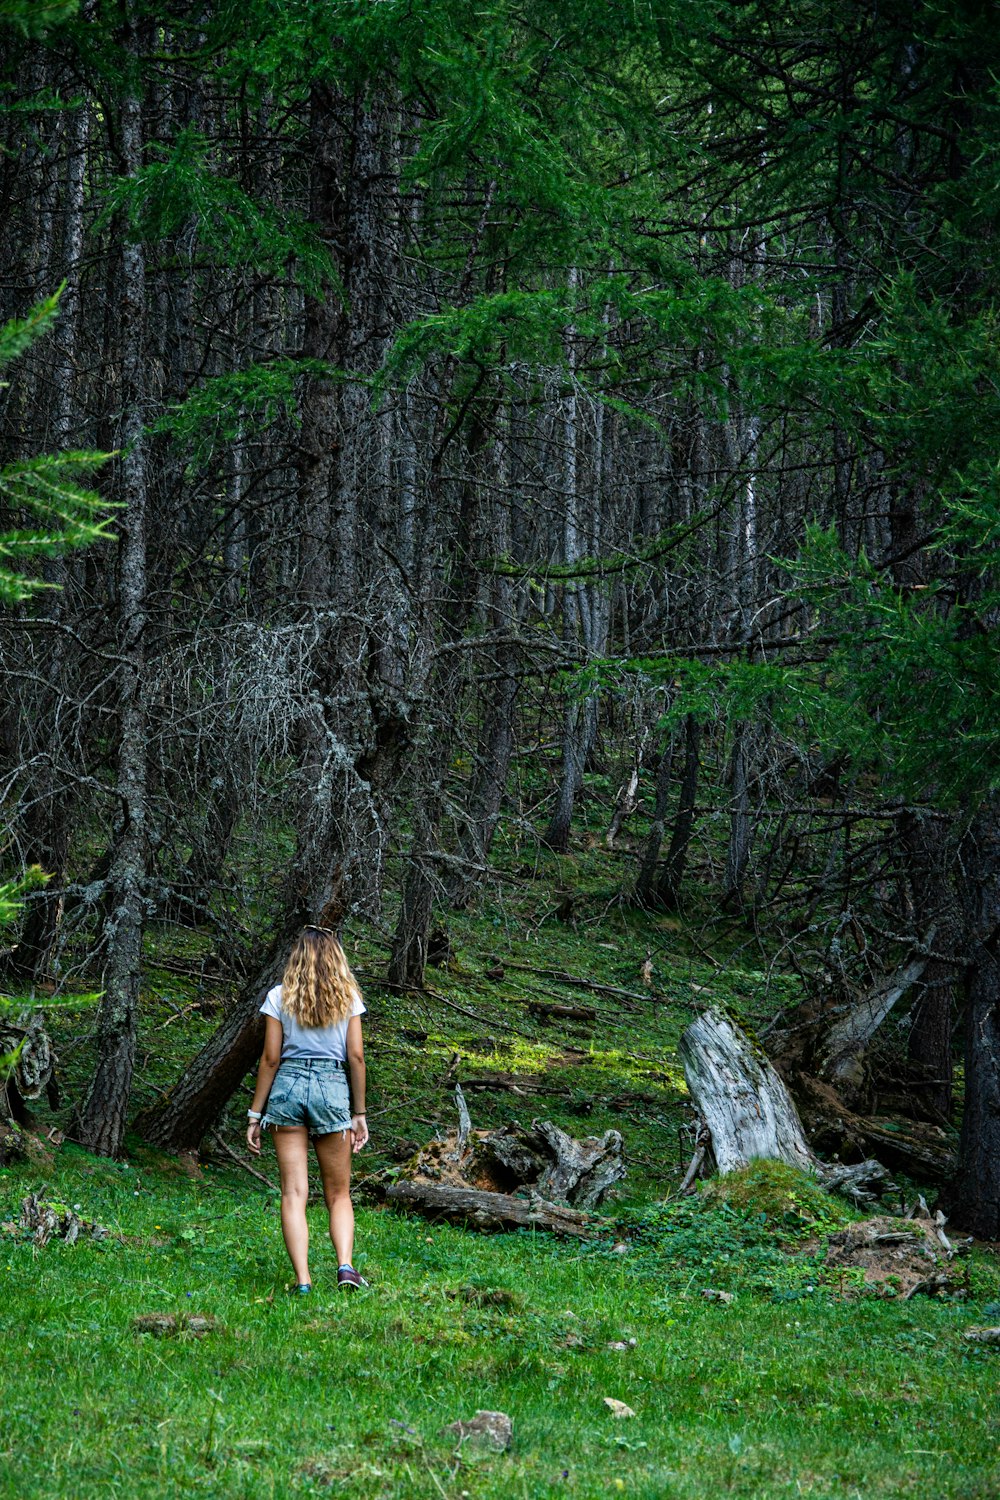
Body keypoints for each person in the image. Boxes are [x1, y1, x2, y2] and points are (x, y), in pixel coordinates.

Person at [246, 926, 369, 1293]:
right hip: (332, 1087)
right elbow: (357, 1058)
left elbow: (270, 1059)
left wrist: (255, 1113)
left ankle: (303, 1281)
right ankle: (345, 1267)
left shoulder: (279, 997)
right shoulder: (348, 997)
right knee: (338, 1193)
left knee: (294, 1193)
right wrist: (358, 1113)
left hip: (288, 1085)